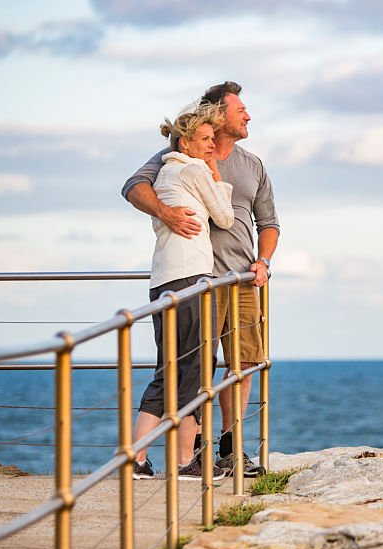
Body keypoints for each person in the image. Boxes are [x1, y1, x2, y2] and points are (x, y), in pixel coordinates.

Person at [122, 82, 279, 478]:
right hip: (200, 277)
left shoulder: (253, 164)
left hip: (244, 278)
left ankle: (228, 447)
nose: (248, 116)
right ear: (216, 114)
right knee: (196, 367)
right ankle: (185, 457)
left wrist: (263, 260)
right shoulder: (182, 151)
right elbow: (132, 187)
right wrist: (165, 212)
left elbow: (270, 223)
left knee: (243, 362)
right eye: (240, 109)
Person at [131, 103, 235, 481]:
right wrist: (215, 173)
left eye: (212, 140)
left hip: (163, 281)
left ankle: (136, 458)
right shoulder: (193, 170)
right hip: (191, 279)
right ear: (186, 142)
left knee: (167, 370)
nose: (211, 145)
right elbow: (225, 217)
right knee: (192, 370)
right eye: (205, 139)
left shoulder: (164, 175)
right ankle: (183, 463)